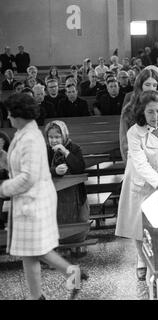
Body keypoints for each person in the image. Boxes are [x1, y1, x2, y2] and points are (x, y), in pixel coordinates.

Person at [0, 93, 88, 300]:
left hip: (33, 203)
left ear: (19, 114)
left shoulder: (30, 138)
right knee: (30, 252)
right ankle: (39, 294)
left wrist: (3, 189)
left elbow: (28, 177)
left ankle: (68, 276)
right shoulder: (24, 133)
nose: (9, 118)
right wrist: (4, 158)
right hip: (29, 202)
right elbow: (18, 166)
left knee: (35, 251)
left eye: (11, 114)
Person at [115, 90, 158, 300]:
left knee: (155, 226)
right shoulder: (134, 132)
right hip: (140, 183)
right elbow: (139, 164)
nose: (156, 116)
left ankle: (156, 265)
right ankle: (142, 260)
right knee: (139, 227)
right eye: (151, 112)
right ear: (142, 111)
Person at [44, 120, 89, 243]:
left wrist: (65, 152)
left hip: (75, 194)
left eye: (57, 137)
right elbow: (39, 171)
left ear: (64, 136)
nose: (53, 140)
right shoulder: (45, 150)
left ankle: (76, 243)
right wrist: (55, 171)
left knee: (77, 220)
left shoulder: (74, 148)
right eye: (50, 137)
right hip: (53, 195)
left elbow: (80, 168)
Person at [119, 68, 158, 164]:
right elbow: (124, 141)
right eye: (147, 84)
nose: (151, 88)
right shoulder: (129, 109)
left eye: (155, 85)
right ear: (140, 86)